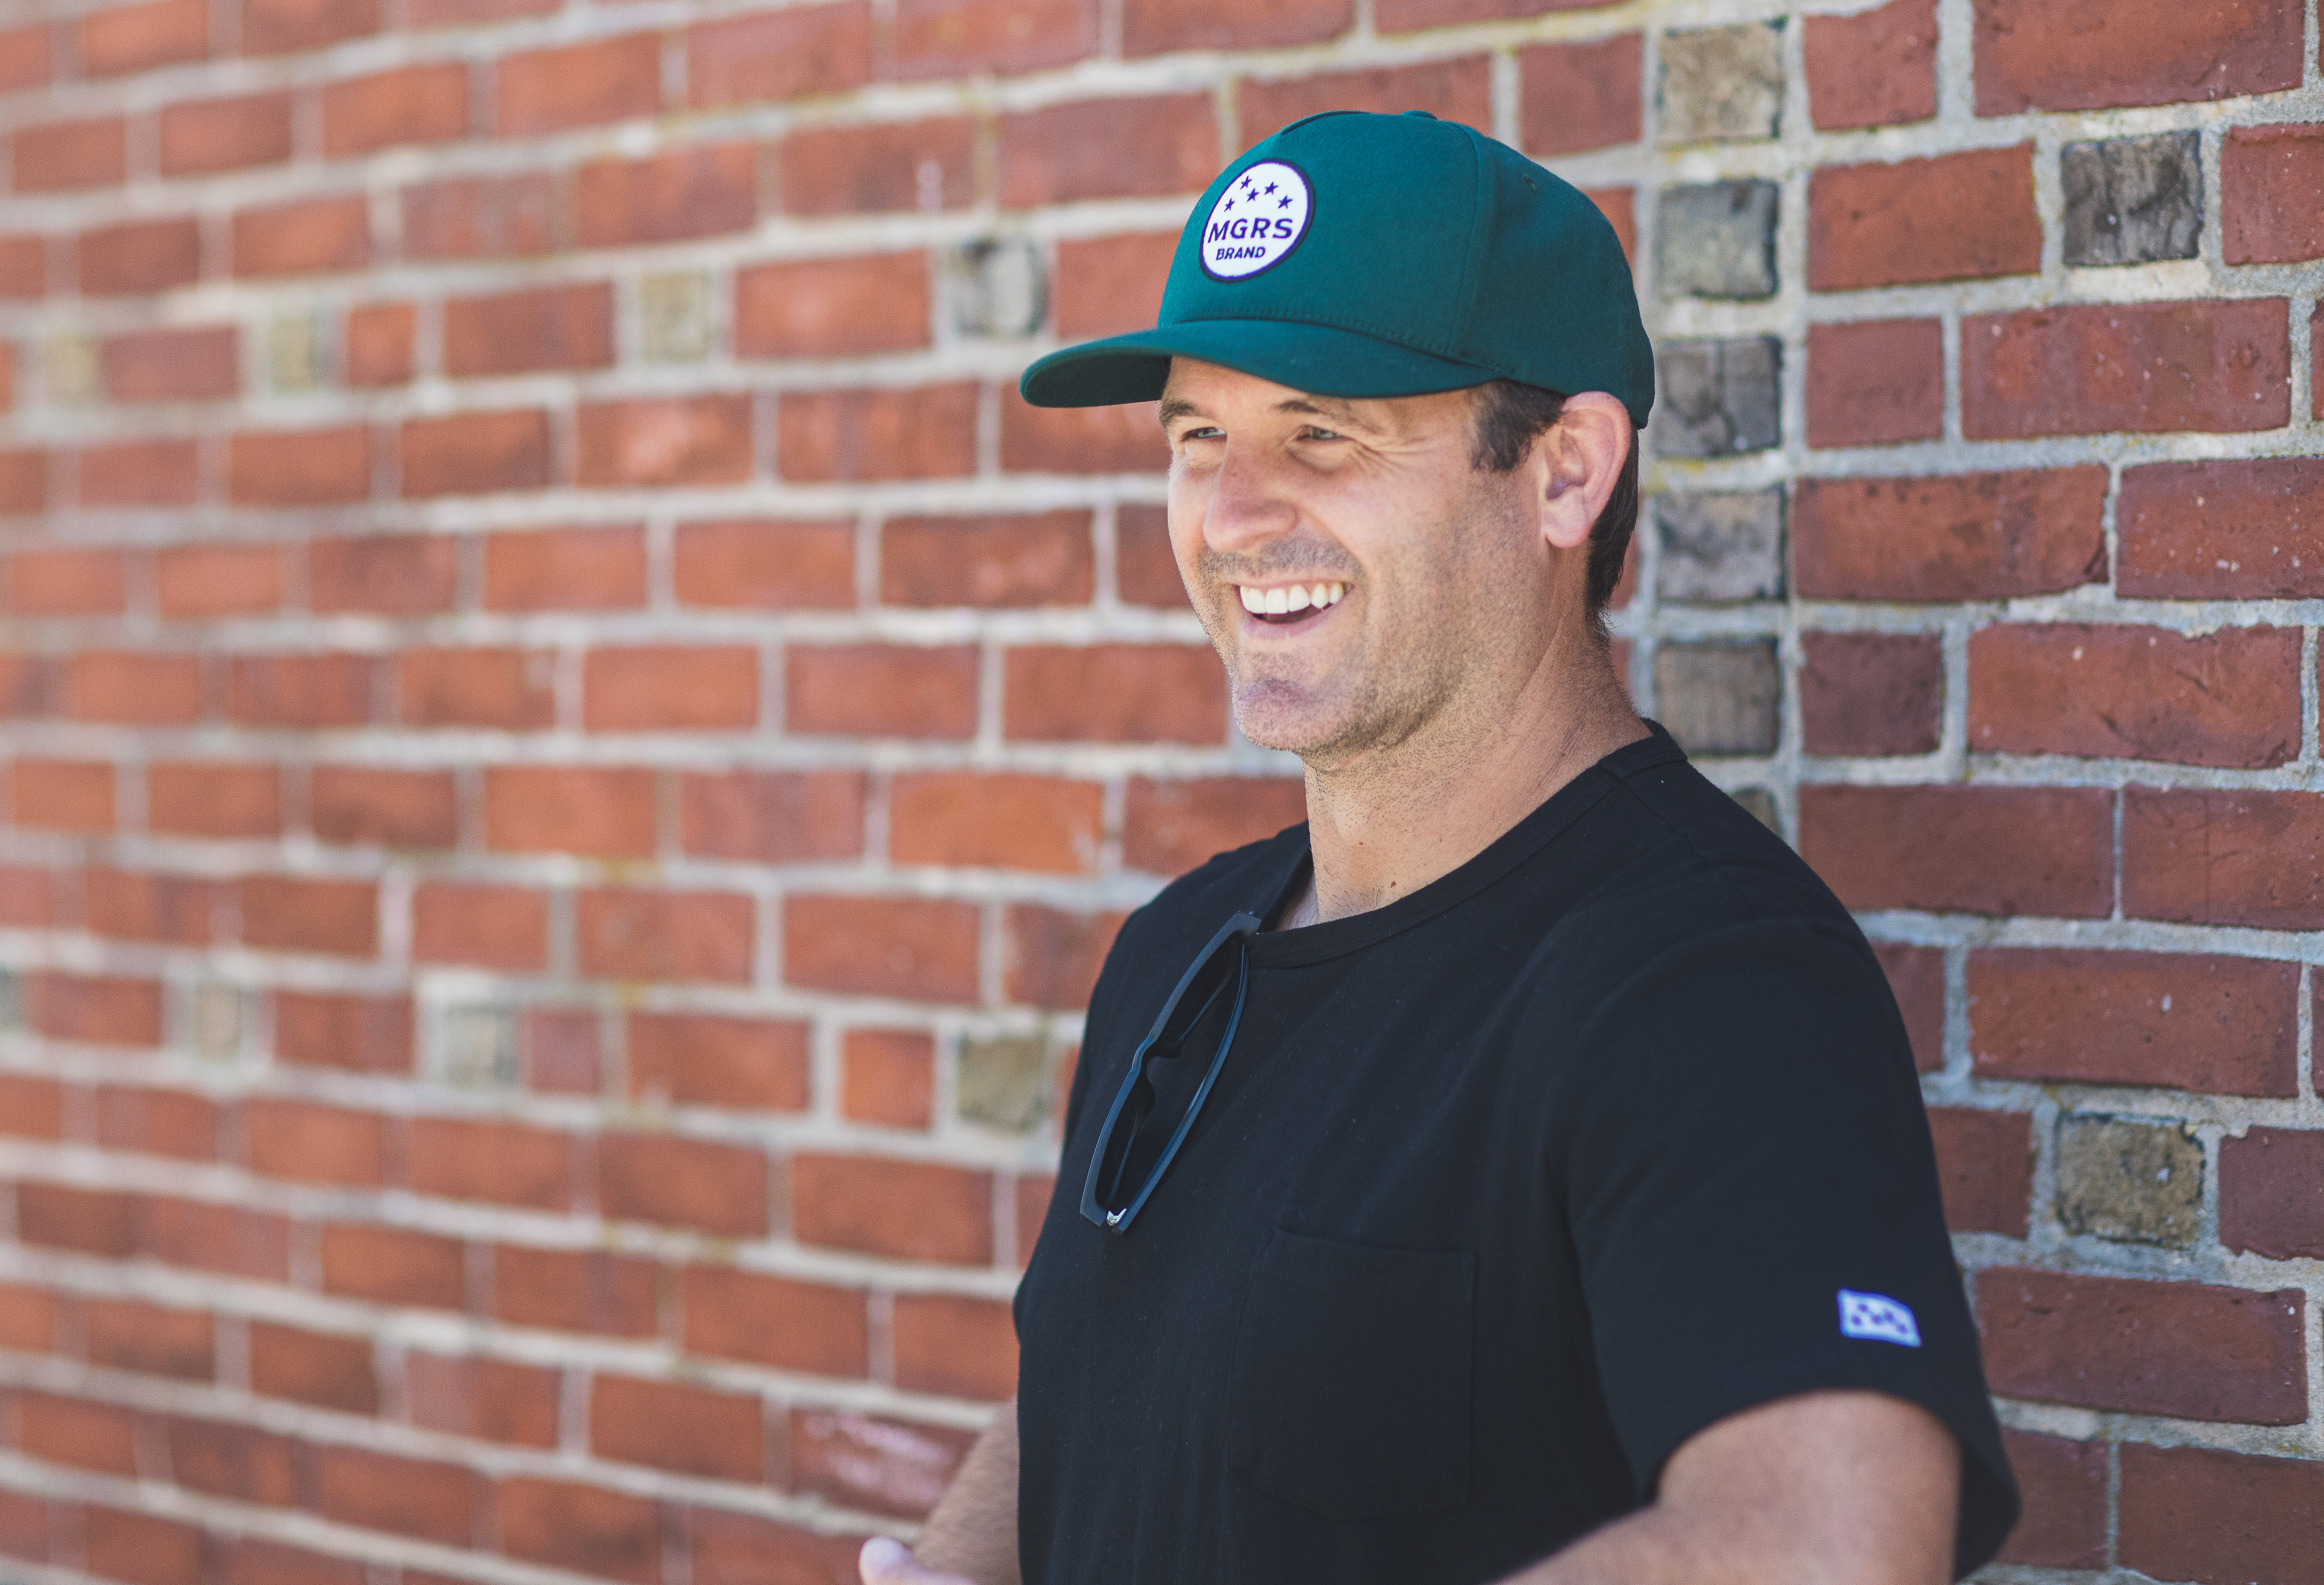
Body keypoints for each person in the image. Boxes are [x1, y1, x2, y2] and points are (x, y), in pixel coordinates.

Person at [856, 112, 2017, 1585]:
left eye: (1322, 436)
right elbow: (1113, 1373)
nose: (1229, 515)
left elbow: (1833, 1537)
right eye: (1199, 436)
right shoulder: (1179, 952)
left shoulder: (1703, 979)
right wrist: (955, 1568)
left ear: (1564, 474)